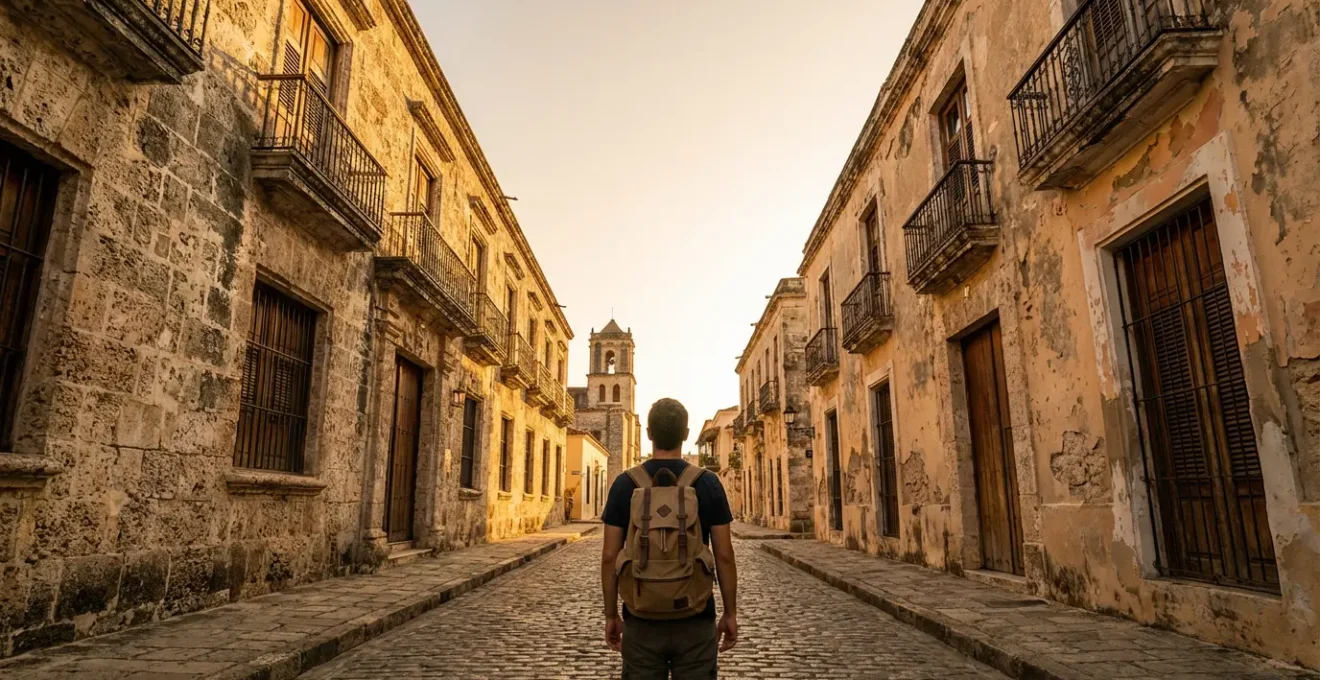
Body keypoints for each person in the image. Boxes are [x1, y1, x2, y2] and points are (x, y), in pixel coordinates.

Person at [601, 398, 737, 679]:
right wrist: (730, 613)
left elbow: (609, 557)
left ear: (648, 434)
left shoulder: (625, 484)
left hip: (640, 617)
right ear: (686, 434)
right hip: (695, 618)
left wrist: (611, 615)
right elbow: (724, 555)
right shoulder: (708, 483)